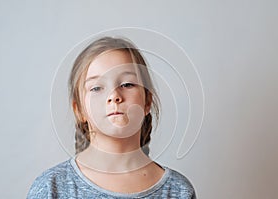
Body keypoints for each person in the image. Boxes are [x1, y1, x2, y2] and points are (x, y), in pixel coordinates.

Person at [27, 36, 196, 198]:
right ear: (79, 111)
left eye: (127, 84)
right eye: (96, 88)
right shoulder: (51, 187)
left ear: (147, 102)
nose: (114, 95)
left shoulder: (178, 190)